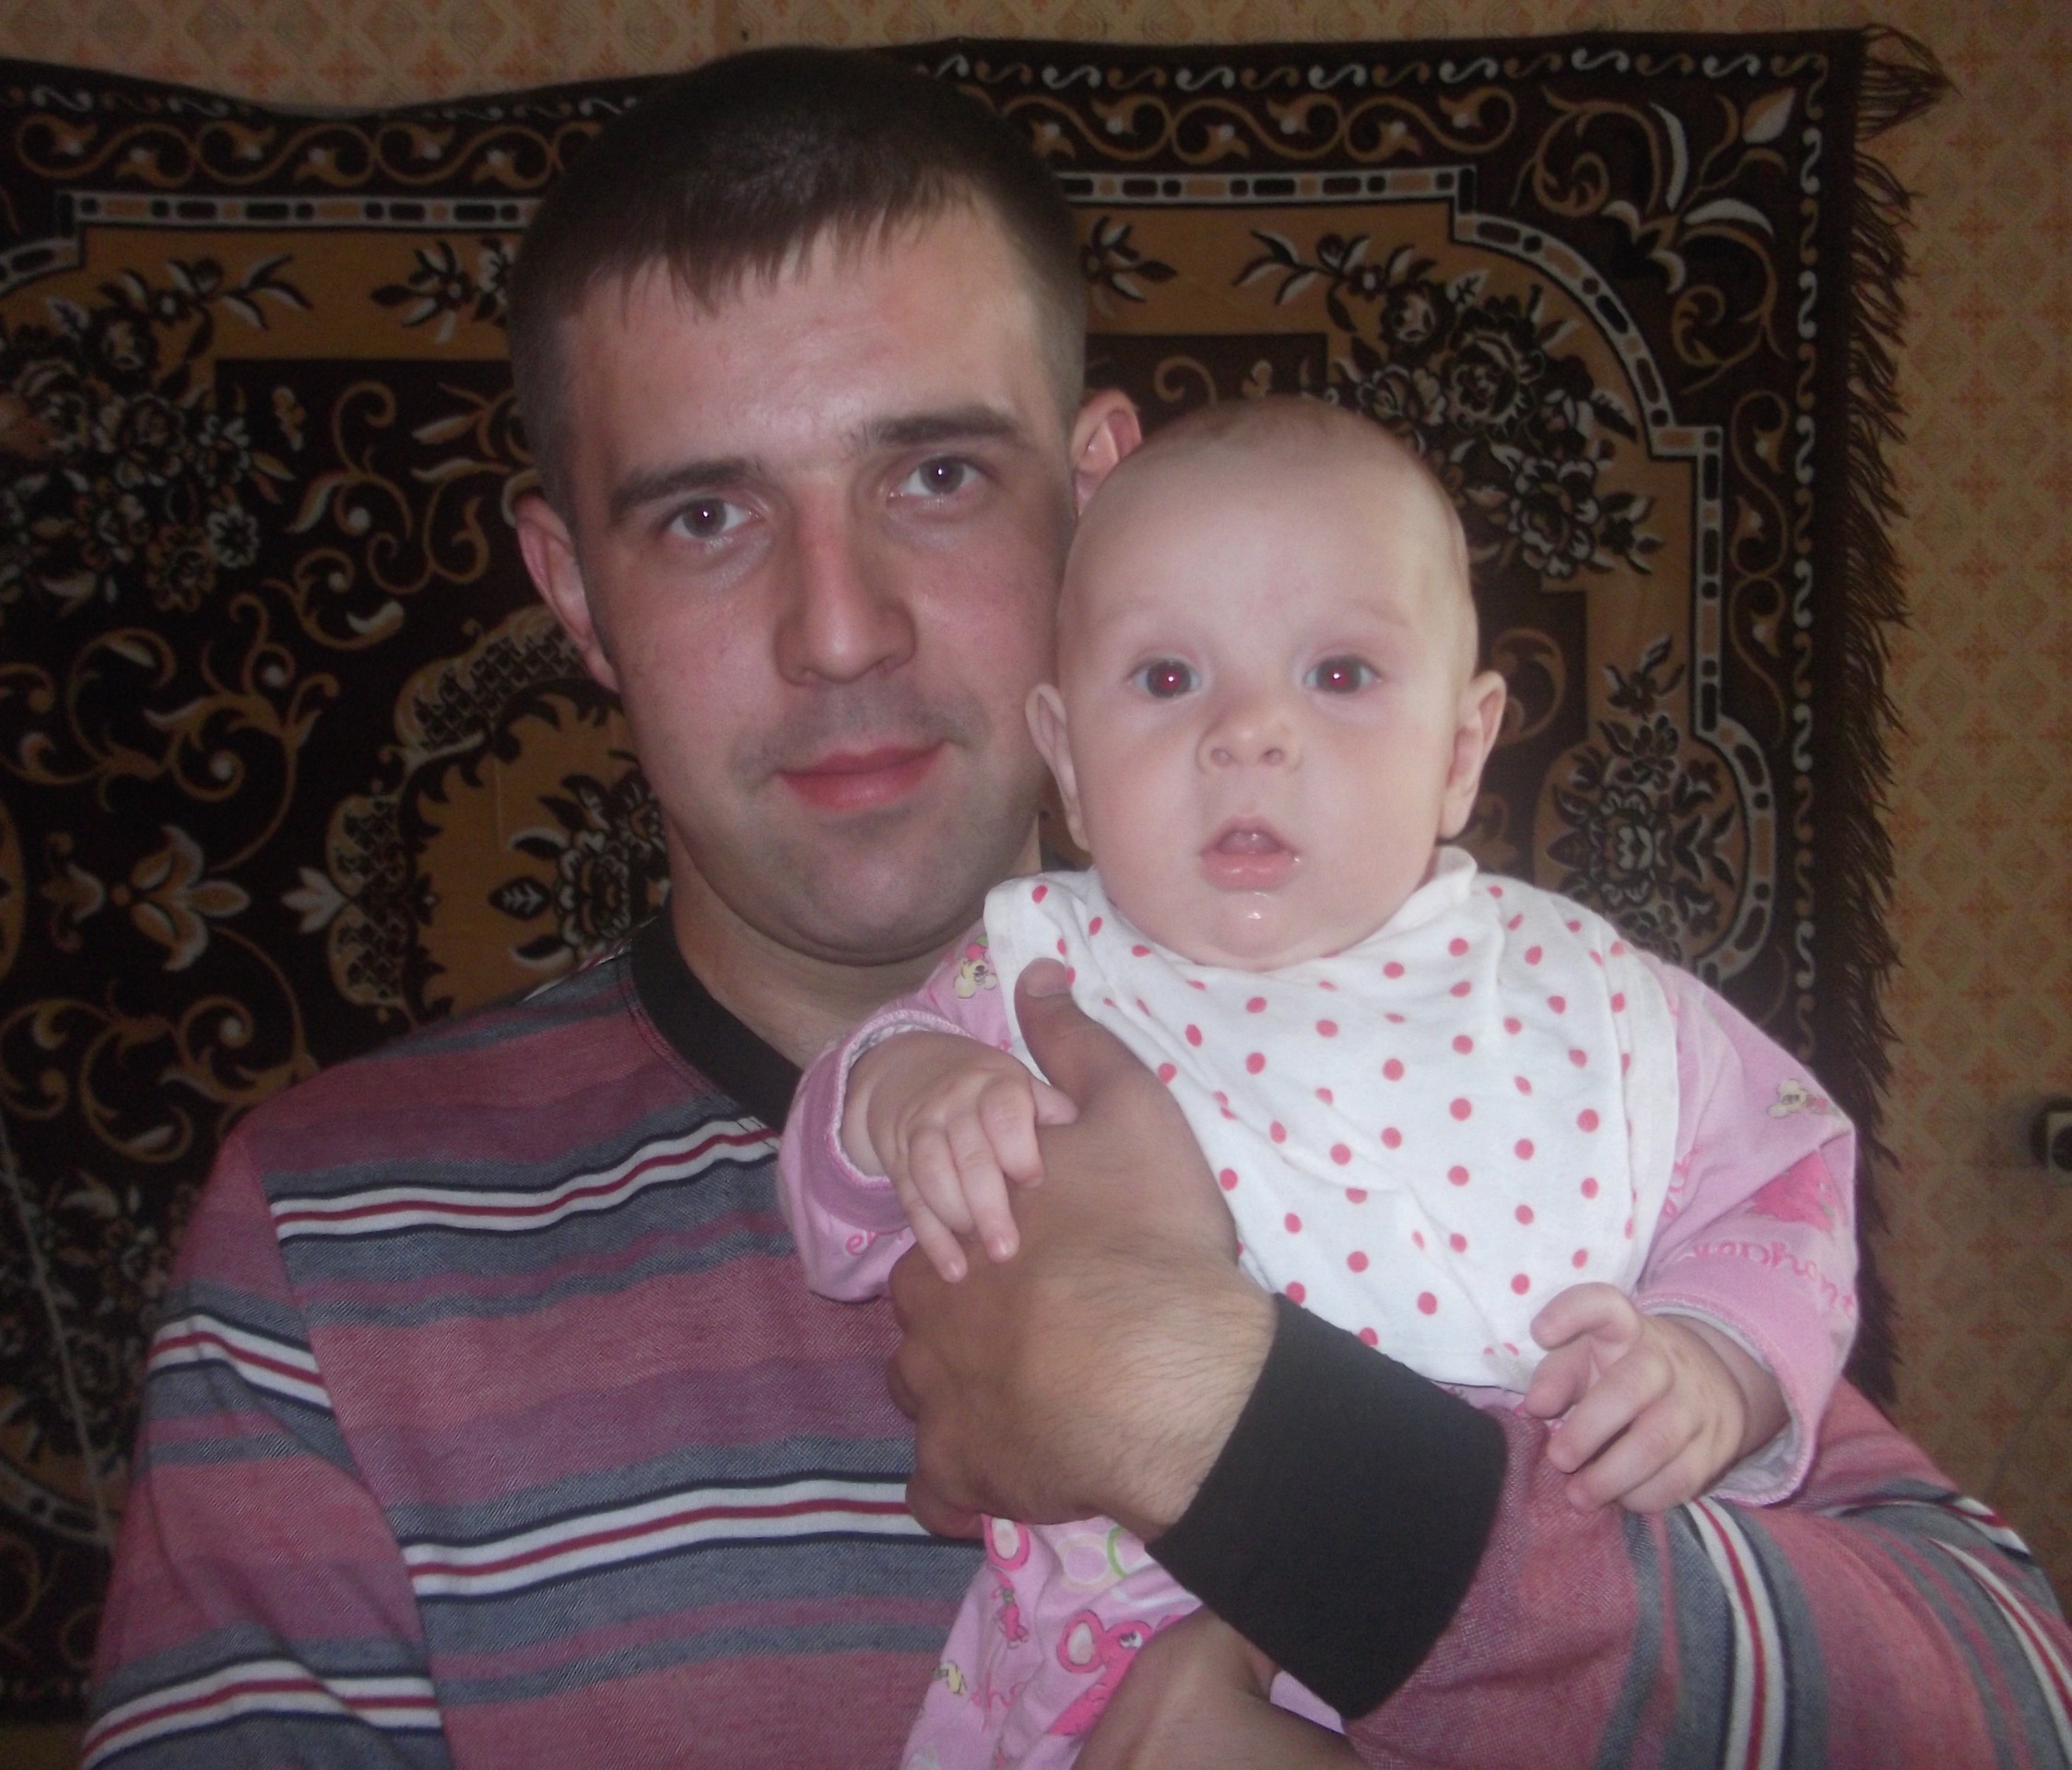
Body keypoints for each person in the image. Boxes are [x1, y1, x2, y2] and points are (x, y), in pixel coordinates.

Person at [82, 45, 2072, 1770]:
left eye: (935, 476)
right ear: (571, 593)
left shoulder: (1491, 1070)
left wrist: (1236, 1433)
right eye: (703, 515)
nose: (838, 630)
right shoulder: (327, 1243)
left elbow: (2001, 1701)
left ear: (1098, 488)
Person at [779, 398, 1858, 1768]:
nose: (1250, 732)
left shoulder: (1594, 1001)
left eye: (1340, 674)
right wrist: (905, 1091)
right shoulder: (1039, 985)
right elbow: (838, 1211)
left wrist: (1717, 1359)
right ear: (1067, 759)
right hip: (1111, 1669)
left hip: (1540, 1651)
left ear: (1461, 751)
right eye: (1167, 677)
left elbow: (1788, 1174)